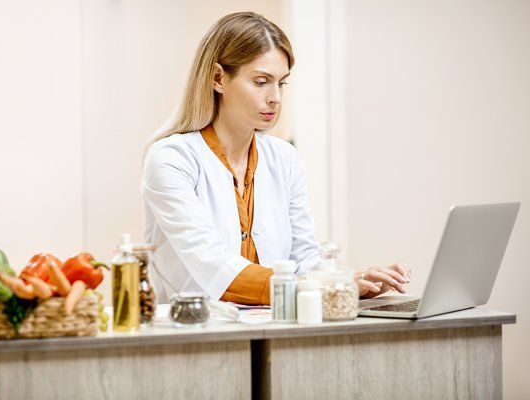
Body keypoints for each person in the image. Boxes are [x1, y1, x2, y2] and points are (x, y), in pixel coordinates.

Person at [142, 11, 411, 305]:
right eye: (261, 82)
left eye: (281, 83)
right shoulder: (171, 159)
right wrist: (322, 289)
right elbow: (214, 267)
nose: (275, 98)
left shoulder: (284, 158)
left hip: (274, 326)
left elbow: (305, 261)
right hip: (198, 334)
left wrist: (349, 281)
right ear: (218, 78)